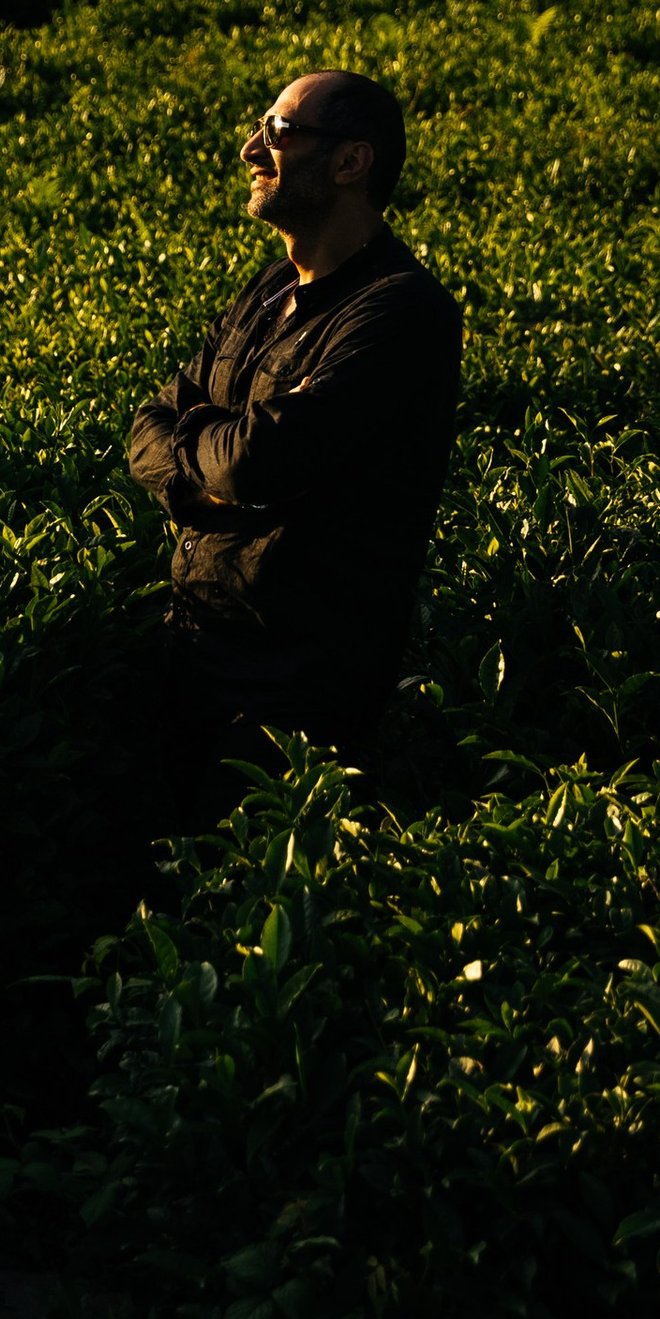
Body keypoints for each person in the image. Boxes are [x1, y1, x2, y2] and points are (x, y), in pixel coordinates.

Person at [127, 68, 462, 826]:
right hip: (193, 653)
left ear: (351, 162)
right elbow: (147, 431)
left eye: (279, 132)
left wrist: (218, 463)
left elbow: (258, 463)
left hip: (297, 689)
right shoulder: (268, 288)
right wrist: (203, 472)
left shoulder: (403, 313)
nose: (253, 148)